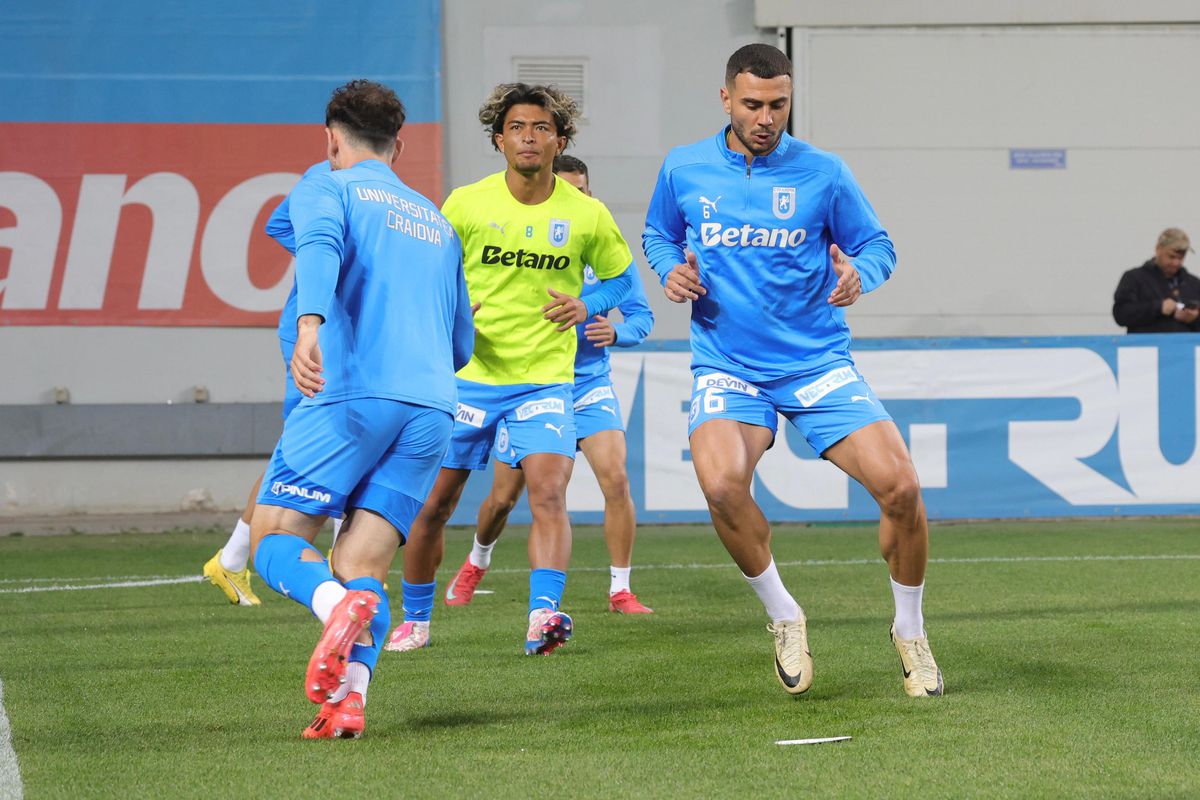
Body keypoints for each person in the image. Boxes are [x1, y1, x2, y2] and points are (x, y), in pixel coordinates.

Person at [642, 44, 942, 698]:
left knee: (902, 487)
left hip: (815, 361)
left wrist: (863, 273)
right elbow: (659, 234)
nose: (766, 117)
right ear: (726, 99)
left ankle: (910, 631)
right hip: (729, 363)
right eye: (753, 104)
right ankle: (784, 615)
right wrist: (671, 271)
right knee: (721, 486)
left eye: (778, 104)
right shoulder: (684, 167)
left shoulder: (823, 173)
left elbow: (877, 244)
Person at [246, 79, 474, 739]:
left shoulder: (327, 184)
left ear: (332, 139)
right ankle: (349, 704)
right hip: (433, 407)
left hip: (353, 394)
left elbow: (317, 243)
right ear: (398, 146)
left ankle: (332, 604)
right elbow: (462, 343)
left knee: (276, 539)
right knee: (364, 565)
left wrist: (311, 322)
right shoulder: (436, 220)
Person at [384, 84, 636, 656]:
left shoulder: (586, 213)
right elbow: (428, 271)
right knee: (434, 505)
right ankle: (416, 621)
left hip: (546, 378)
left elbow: (622, 279)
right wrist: (447, 309)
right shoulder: (467, 203)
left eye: (542, 128)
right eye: (517, 127)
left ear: (559, 140)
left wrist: (588, 305)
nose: (529, 136)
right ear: (499, 139)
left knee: (549, 494)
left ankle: (541, 619)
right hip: (468, 378)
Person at [415, 155, 655, 633]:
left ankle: (619, 588)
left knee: (613, 481)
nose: (574, 197)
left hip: (583, 385)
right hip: (515, 382)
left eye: (582, 189)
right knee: (502, 499)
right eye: (567, 187)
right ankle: (477, 561)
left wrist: (617, 332)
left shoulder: (597, 251)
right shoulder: (506, 231)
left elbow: (641, 316)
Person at [202, 162, 342, 608]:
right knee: (318, 443)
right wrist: (326, 251)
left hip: (346, 334)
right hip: (316, 331)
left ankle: (233, 556)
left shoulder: (380, 188)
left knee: (312, 444)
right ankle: (343, 569)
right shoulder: (327, 175)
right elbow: (279, 223)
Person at [1113, 227, 1200, 332]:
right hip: (1147, 346)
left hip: (1185, 347)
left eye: (1181, 258)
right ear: (1158, 249)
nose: (1176, 263)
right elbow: (1121, 314)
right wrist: (1158, 307)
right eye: (1171, 257)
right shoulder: (1134, 278)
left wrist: (1193, 319)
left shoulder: (1194, 283)